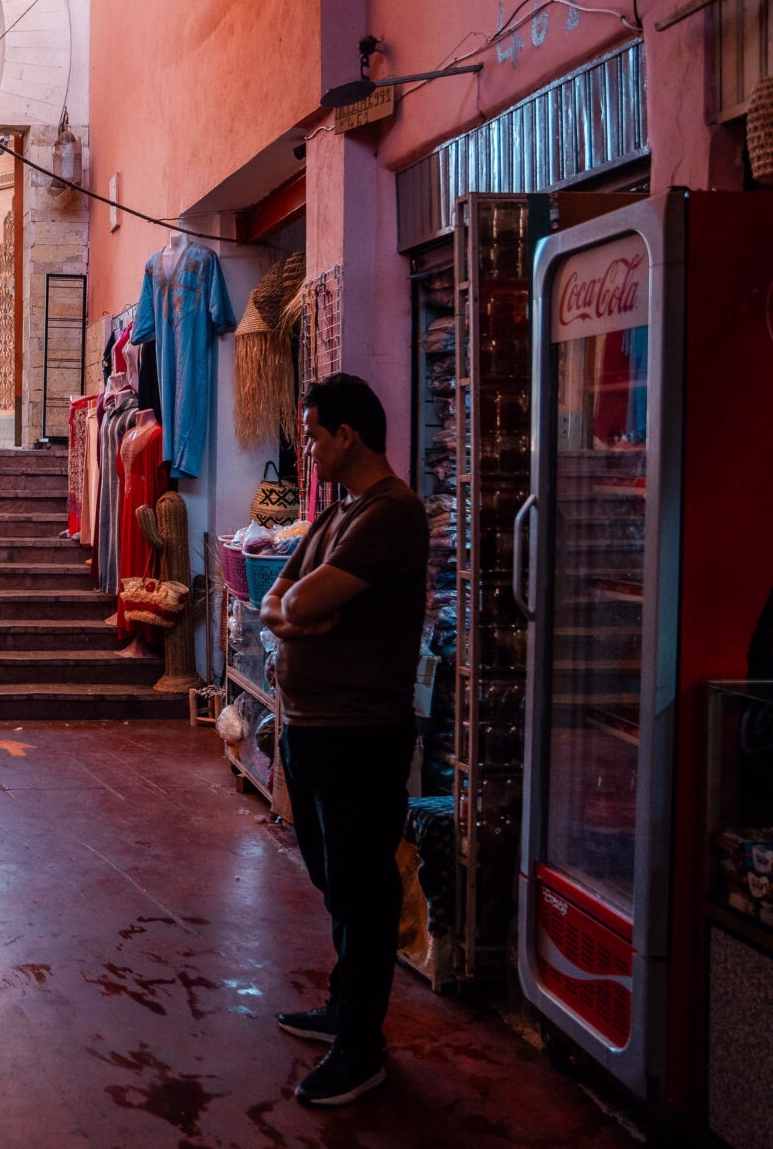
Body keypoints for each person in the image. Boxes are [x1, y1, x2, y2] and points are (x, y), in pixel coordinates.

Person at [260, 374, 428, 1108]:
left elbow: (299, 598)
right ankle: (344, 1004)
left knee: (362, 885)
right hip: (310, 725)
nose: (309, 450)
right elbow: (279, 594)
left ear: (348, 435)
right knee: (334, 877)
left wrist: (298, 610)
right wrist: (298, 617)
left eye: (315, 436)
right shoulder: (338, 514)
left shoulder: (391, 513)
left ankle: (362, 1045)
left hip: (361, 731)